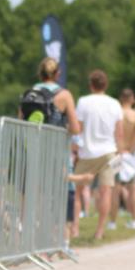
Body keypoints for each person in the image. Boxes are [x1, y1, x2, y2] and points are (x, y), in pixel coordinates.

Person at [29, 57, 80, 242]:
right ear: (58, 74)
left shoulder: (31, 92)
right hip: (57, 152)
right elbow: (75, 127)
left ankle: (40, 240)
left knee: (40, 197)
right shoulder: (64, 95)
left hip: (35, 151)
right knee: (61, 195)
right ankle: (60, 241)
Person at [74, 70, 124, 240]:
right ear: (106, 85)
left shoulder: (83, 102)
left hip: (87, 152)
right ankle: (99, 231)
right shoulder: (115, 104)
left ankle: (74, 228)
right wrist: (120, 154)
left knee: (77, 191)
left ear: (91, 85)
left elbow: (78, 128)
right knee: (106, 192)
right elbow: (120, 133)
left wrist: (74, 148)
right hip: (109, 152)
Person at [108, 88, 135, 231]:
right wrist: (131, 149)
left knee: (115, 190)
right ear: (132, 99)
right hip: (130, 156)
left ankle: (112, 222)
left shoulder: (115, 115)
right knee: (133, 189)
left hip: (116, 154)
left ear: (120, 98)